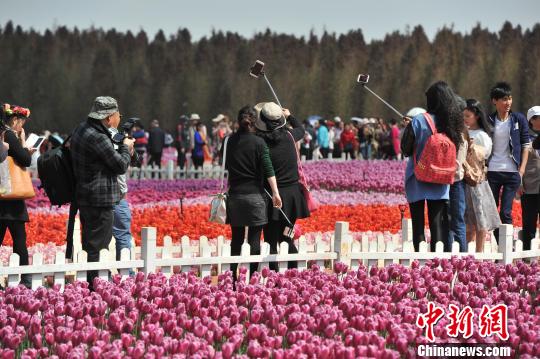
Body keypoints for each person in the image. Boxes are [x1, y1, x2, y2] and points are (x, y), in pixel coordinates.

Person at [70, 96, 134, 290]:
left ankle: (93, 283)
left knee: (91, 244)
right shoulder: (97, 136)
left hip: (86, 195)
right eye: (117, 115)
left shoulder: (81, 129)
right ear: (108, 118)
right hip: (99, 198)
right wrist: (126, 147)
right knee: (99, 247)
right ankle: (97, 287)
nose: (119, 119)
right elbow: (120, 165)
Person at [401, 81, 464, 252]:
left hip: (417, 176)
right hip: (441, 177)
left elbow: (406, 149)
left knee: (418, 223)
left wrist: (409, 128)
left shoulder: (419, 120)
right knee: (438, 223)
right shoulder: (452, 122)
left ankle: (420, 259)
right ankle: (438, 260)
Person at [224, 106, 282, 282]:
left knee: (237, 239)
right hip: (255, 196)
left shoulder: (229, 141)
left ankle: (233, 278)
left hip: (235, 196)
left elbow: (225, 164)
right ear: (255, 122)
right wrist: (275, 193)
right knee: (254, 241)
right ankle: (252, 278)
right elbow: (268, 168)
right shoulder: (259, 143)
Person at [255, 102, 310, 271]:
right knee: (287, 237)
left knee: (270, 240)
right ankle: (294, 271)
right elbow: (301, 129)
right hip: (291, 196)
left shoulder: (259, 142)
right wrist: (289, 115)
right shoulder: (291, 136)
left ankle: (274, 275)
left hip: (271, 196)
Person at [486, 82, 530, 243]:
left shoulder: (518, 119)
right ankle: (501, 245)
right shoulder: (489, 120)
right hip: (492, 172)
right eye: (504, 99)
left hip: (512, 172)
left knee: (506, 211)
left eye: (510, 98)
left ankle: (508, 245)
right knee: (492, 211)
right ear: (494, 101)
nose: (508, 102)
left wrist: (521, 171)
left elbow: (526, 145)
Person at [0, 104, 35, 288]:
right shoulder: (10, 135)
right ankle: (26, 280)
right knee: (19, 240)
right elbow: (25, 159)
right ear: (15, 120)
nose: (22, 126)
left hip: (1, 195)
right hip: (11, 199)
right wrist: (22, 143)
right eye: (21, 123)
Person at [463, 99, 501, 252]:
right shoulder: (462, 132)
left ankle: (479, 253)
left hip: (476, 181)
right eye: (463, 116)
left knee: (480, 218)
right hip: (462, 180)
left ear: (477, 116)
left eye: (467, 116)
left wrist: (470, 147)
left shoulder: (482, 135)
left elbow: (484, 155)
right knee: (466, 220)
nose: (464, 119)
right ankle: (465, 252)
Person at [108, 125, 135, 273]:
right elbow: (122, 165)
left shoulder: (89, 134)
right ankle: (126, 275)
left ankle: (100, 275)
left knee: (99, 239)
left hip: (94, 196)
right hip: (116, 196)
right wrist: (126, 148)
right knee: (123, 235)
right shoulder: (111, 137)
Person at [448, 98, 469, 252]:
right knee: (448, 222)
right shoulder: (448, 131)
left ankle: (462, 257)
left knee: (457, 221)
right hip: (446, 182)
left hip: (455, 182)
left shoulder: (460, 135)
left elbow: (458, 164)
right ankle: (449, 257)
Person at [519, 106, 540, 250]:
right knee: (529, 223)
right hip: (530, 187)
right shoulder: (525, 138)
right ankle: (527, 255)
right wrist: (519, 183)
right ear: (531, 120)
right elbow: (519, 163)